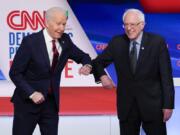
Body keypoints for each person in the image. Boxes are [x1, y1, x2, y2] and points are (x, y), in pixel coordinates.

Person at [9, 7, 92, 135]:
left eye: (64, 24)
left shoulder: (65, 40)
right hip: (27, 104)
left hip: (51, 104)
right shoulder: (30, 42)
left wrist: (87, 65)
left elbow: (83, 56)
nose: (62, 28)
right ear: (47, 23)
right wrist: (32, 93)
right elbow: (15, 73)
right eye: (58, 24)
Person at [92, 8, 174, 135]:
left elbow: (166, 76)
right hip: (127, 107)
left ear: (142, 25)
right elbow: (97, 62)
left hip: (152, 106)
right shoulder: (117, 42)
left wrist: (168, 104)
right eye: (126, 24)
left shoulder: (157, 42)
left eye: (132, 24)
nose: (128, 28)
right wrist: (102, 76)